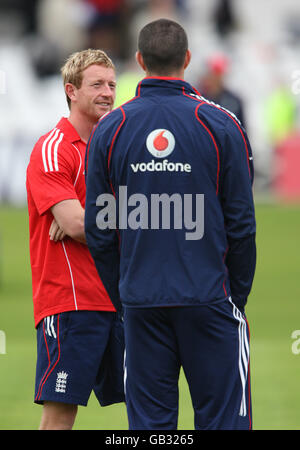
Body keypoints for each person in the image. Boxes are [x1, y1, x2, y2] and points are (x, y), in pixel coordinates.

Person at [84, 19, 256, 430]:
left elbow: (100, 228)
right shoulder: (220, 123)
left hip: (142, 303)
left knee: (150, 429)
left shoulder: (111, 128)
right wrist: (235, 293)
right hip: (209, 297)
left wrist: (125, 293)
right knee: (223, 423)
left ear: (140, 61)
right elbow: (242, 225)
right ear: (188, 59)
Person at [26, 48, 125, 430]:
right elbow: (78, 225)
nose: (107, 92)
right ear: (71, 91)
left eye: (112, 84)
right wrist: (88, 222)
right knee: (60, 414)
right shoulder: (52, 149)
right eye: (97, 84)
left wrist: (91, 221)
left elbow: (148, 215)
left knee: (148, 403)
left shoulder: (117, 149)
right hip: (70, 303)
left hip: (121, 299)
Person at [198, 53, 246, 128]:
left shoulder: (234, 101)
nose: (215, 77)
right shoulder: (198, 98)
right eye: (213, 73)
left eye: (218, 73)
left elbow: (242, 129)